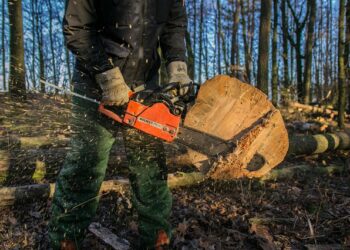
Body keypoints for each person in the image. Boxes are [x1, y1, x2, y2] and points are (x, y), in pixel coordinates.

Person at [48, 0, 191, 249]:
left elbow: (173, 24)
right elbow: (77, 26)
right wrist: (105, 72)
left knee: (150, 167)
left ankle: (156, 234)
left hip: (146, 83)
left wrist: (177, 64)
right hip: (96, 81)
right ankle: (66, 236)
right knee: (86, 162)